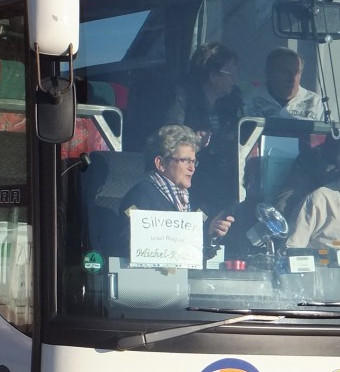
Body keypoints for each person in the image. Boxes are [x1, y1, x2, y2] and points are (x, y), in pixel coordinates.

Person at [118, 125, 233, 257]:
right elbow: (131, 246)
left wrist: (211, 231)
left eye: (194, 162)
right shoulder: (139, 198)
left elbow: (197, 252)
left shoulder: (192, 202)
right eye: (185, 161)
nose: (192, 168)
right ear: (160, 163)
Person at [164, 43, 244, 218]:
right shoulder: (181, 96)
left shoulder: (234, 102)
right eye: (231, 74)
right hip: (189, 174)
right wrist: (192, 140)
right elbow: (170, 135)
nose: (235, 80)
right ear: (213, 76)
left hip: (222, 175)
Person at [252, 47, 323, 121]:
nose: (292, 78)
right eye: (285, 72)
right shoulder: (248, 101)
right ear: (268, 73)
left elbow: (331, 131)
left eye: (297, 72)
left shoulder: (316, 103)